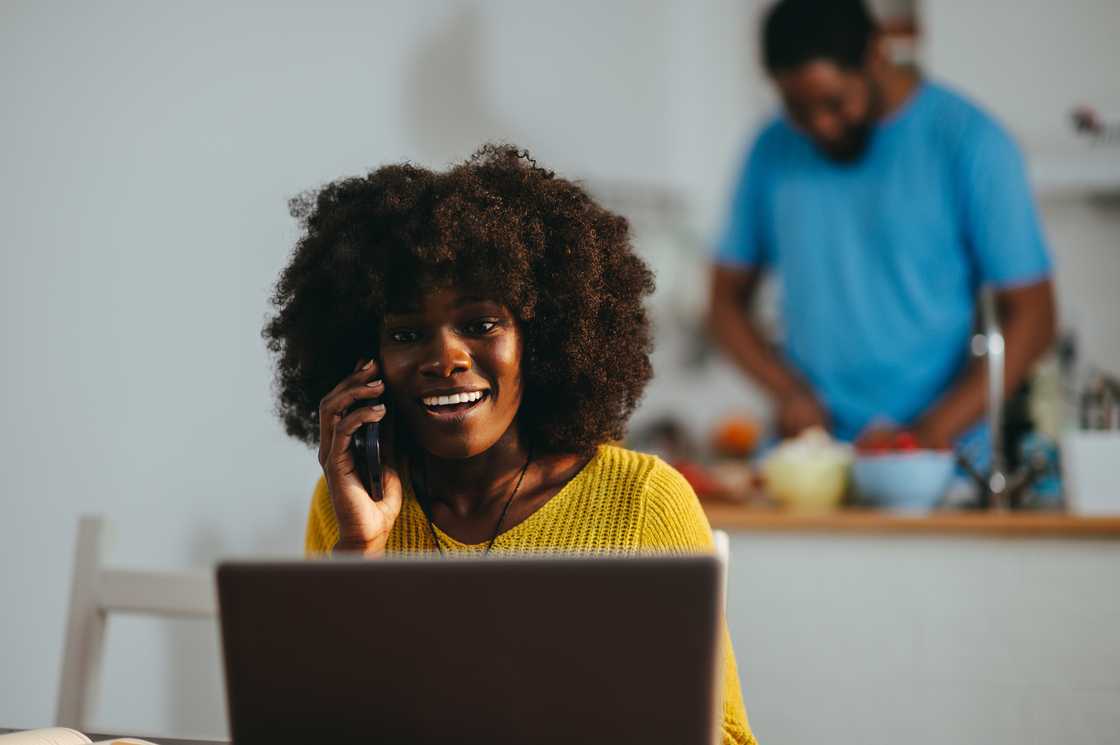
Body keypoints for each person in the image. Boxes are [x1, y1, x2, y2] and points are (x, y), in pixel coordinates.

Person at [261, 145, 757, 745]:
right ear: (365, 363)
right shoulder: (349, 506)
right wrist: (361, 547)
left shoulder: (643, 502)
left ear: (542, 340)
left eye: (480, 324)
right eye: (408, 333)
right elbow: (324, 725)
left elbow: (725, 738)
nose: (446, 358)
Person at [710, 0, 1056, 458]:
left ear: (877, 54)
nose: (820, 126)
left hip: (939, 465)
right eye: (798, 109)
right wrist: (787, 391)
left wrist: (928, 434)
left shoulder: (971, 143)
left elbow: (1034, 316)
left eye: (835, 103)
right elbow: (724, 301)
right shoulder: (771, 149)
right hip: (811, 457)